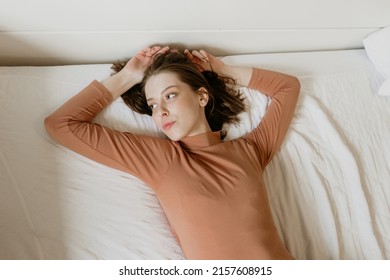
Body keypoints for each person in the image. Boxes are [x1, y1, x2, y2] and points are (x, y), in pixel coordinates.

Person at [45, 45, 300, 260]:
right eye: (153, 104)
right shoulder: (161, 159)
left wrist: (220, 70)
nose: (160, 112)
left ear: (202, 97)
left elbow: (288, 88)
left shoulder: (251, 150)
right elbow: (62, 124)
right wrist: (128, 77)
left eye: (170, 96)